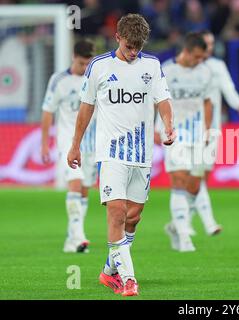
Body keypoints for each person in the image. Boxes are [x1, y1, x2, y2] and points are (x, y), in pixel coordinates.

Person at [67, 13, 175, 296]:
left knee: (133, 217)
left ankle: (108, 271)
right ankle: (128, 279)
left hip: (142, 154)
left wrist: (168, 126)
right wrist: (75, 144)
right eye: (129, 46)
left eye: (138, 46)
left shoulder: (151, 65)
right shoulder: (99, 66)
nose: (134, 52)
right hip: (111, 154)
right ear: (117, 38)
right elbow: (86, 107)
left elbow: (162, 98)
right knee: (116, 212)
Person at [183, 30, 239, 237]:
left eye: (211, 44)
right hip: (189, 130)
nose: (209, 48)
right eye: (206, 44)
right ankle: (208, 223)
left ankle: (182, 220)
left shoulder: (217, 67)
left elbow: (228, 88)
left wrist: (238, 104)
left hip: (212, 130)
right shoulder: (186, 68)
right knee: (196, 176)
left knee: (201, 177)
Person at [155, 31, 212, 252]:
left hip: (197, 133)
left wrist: (207, 129)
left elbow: (207, 102)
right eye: (196, 56)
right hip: (173, 132)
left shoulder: (204, 72)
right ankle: (184, 235)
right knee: (178, 179)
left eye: (202, 57)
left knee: (194, 184)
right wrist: (155, 126)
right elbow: (155, 102)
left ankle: (174, 226)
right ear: (186, 51)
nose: (199, 61)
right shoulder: (166, 71)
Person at [41, 39, 96, 253]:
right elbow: (47, 111)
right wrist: (45, 143)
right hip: (67, 140)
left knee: (84, 190)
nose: (85, 68)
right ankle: (79, 235)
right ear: (74, 57)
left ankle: (72, 239)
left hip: (91, 142)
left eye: (88, 63)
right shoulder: (59, 80)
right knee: (76, 181)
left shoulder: (96, 78)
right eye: (82, 63)